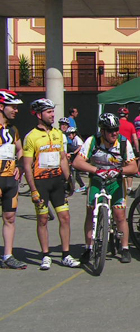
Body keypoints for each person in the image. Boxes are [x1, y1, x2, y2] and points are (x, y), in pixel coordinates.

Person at [73, 113, 138, 265]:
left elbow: (134, 167)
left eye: (116, 129)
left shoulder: (123, 142)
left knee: (120, 215)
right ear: (102, 131)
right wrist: (96, 170)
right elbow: (77, 162)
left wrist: (120, 171)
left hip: (115, 181)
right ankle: (89, 247)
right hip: (97, 180)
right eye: (110, 130)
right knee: (91, 213)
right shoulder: (93, 141)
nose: (114, 133)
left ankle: (125, 248)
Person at [23, 98, 79, 270]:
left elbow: (62, 158)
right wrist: (33, 189)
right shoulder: (31, 137)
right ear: (39, 115)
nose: (53, 115)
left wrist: (69, 180)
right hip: (41, 183)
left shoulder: (58, 134)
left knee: (65, 217)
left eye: (53, 111)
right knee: (43, 220)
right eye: (49, 112)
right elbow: (27, 165)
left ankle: (66, 254)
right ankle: (45, 255)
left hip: (57, 182)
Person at [0, 91, 26, 269]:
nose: (16, 110)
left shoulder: (13, 130)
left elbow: (20, 150)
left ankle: (8, 256)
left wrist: (20, 166)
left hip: (10, 180)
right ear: (1, 106)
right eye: (13, 107)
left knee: (9, 217)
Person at [117, 107, 140, 193]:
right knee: (129, 167)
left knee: (119, 168)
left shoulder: (116, 124)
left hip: (116, 148)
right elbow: (135, 138)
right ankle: (129, 187)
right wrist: (137, 150)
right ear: (127, 115)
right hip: (127, 148)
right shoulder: (130, 125)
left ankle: (120, 186)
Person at [66, 127, 85, 192]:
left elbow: (80, 147)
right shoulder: (74, 140)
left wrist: (74, 152)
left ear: (74, 134)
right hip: (76, 156)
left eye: (70, 134)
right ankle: (81, 186)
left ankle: (82, 186)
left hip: (81, 156)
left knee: (75, 172)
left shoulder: (77, 139)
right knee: (74, 172)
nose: (69, 136)